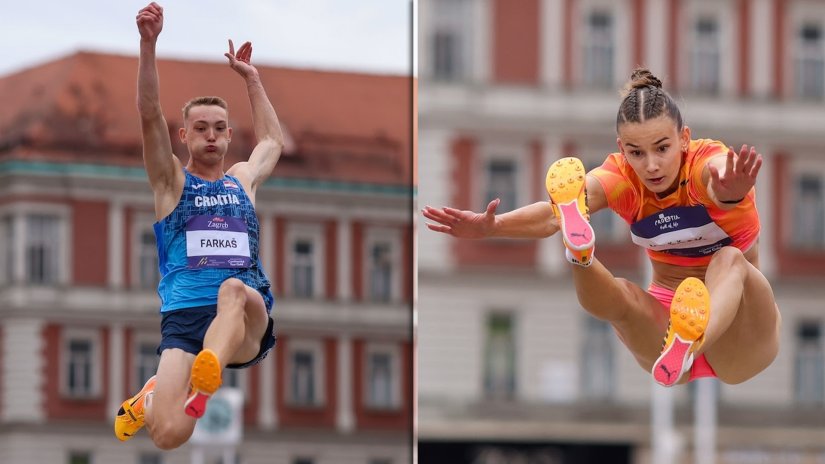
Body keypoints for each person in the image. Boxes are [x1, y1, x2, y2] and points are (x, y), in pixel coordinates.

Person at [423, 68, 781, 388]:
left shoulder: (706, 164)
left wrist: (729, 192)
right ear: (621, 149)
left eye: (662, 148)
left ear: (684, 139)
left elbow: (717, 176)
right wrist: (493, 226)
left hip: (739, 333)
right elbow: (552, 214)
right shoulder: (623, 178)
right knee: (623, 295)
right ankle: (580, 255)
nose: (652, 165)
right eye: (636, 153)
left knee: (730, 259)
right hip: (667, 327)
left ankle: (692, 340)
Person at [115, 2, 284, 449]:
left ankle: (205, 377)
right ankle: (152, 397)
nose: (211, 135)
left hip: (245, 318)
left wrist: (253, 79)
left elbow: (271, 141)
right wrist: (147, 45)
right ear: (184, 136)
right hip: (185, 318)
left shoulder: (242, 180)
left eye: (220, 128)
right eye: (201, 128)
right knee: (169, 435)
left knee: (231, 289)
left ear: (230, 137)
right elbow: (149, 114)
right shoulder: (170, 183)